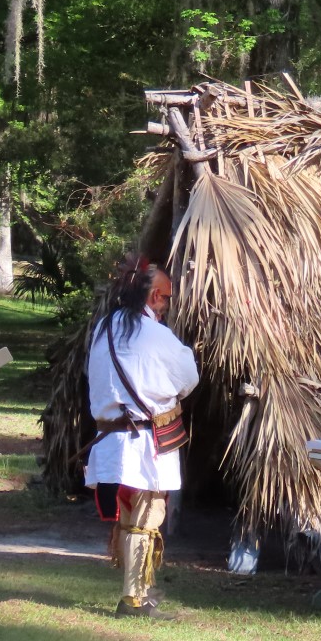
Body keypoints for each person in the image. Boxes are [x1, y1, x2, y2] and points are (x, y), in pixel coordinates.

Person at [85, 254, 199, 618]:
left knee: (130, 514)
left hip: (111, 440)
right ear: (153, 298)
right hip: (146, 442)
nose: (166, 305)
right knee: (146, 516)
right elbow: (188, 379)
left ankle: (138, 592)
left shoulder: (104, 327)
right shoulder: (157, 335)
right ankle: (134, 599)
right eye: (165, 297)